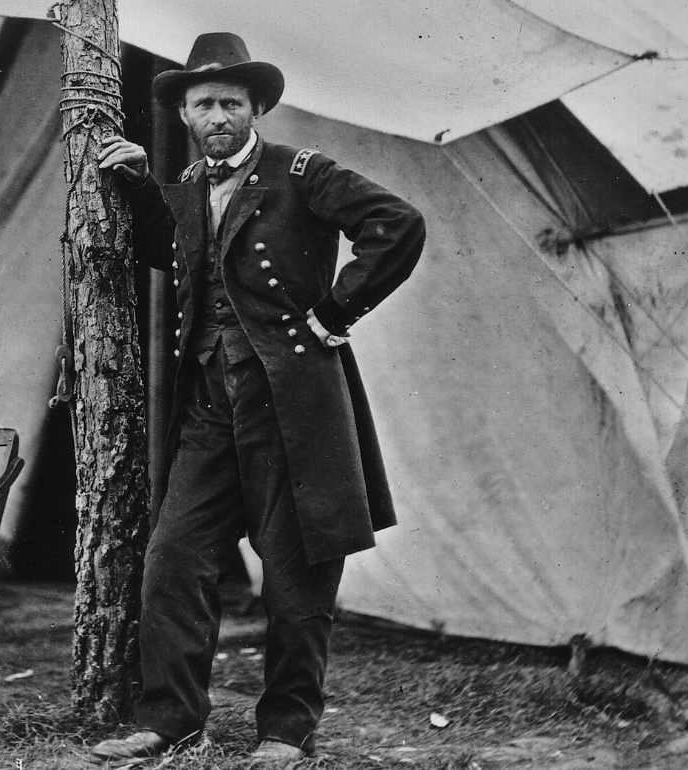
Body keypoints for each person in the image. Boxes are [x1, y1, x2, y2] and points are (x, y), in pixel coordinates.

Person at [92, 32, 425, 767]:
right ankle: (172, 720)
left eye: (231, 102)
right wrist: (144, 183)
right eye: (203, 102)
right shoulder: (186, 185)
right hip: (209, 415)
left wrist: (336, 313)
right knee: (173, 562)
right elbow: (169, 249)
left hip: (292, 412)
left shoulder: (302, 173)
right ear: (184, 113)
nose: (218, 114)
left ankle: (286, 731)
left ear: (257, 108)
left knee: (296, 579)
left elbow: (397, 224)